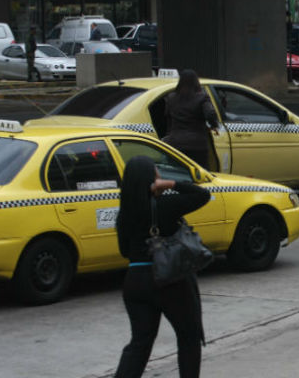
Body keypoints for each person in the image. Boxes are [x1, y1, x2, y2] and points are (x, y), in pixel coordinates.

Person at [114, 156, 210, 378]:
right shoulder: (165, 206)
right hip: (169, 281)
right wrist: (171, 184)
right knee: (188, 337)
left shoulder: (124, 214)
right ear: (152, 179)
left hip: (136, 281)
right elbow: (202, 195)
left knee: (140, 343)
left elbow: (124, 251)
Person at [163, 69, 220, 170]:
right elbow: (210, 113)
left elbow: (168, 118)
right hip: (197, 145)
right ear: (196, 82)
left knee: (179, 174)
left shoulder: (171, 98)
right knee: (201, 174)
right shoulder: (202, 97)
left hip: (176, 144)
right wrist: (214, 125)